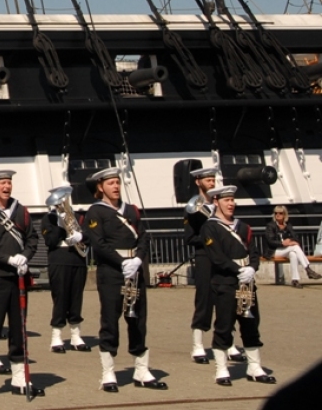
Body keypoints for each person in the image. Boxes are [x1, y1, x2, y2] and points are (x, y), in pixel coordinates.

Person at [84, 167, 167, 393]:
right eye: (111, 183)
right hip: (111, 272)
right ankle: (108, 373)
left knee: (137, 318)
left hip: (135, 270)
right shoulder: (95, 212)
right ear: (101, 187)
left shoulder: (131, 210)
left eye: (117, 182)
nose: (116, 187)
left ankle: (141, 369)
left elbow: (143, 237)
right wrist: (122, 262)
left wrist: (138, 259)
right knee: (110, 320)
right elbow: (99, 244)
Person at [0, 170, 43, 399]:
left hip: (17, 277)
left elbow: (32, 238)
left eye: (9, 183)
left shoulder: (20, 210)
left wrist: (25, 256)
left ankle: (19, 379)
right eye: (2, 183)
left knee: (19, 329)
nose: (6, 187)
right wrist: (8, 259)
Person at [201, 184, 275, 386]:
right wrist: (238, 270)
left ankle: (254, 367)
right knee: (224, 325)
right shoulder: (210, 227)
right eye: (226, 200)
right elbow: (217, 257)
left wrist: (252, 268)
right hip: (225, 283)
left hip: (246, 283)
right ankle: (222, 369)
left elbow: (253, 251)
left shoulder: (243, 227)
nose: (231, 204)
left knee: (250, 323)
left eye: (232, 200)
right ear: (216, 202)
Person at [183, 167, 244, 364]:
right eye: (207, 180)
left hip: (224, 257)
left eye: (213, 179)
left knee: (228, 299)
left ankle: (228, 342)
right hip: (205, 257)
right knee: (204, 298)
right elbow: (189, 238)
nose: (211, 182)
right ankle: (198, 345)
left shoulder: (221, 206)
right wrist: (210, 238)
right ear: (198, 182)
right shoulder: (194, 209)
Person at [40, 187, 88, 355]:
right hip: (59, 260)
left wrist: (81, 236)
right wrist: (61, 225)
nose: (62, 203)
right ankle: (56, 337)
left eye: (64, 199)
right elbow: (50, 241)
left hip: (78, 260)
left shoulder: (80, 217)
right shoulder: (49, 218)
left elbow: (90, 237)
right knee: (60, 298)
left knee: (76, 298)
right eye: (60, 200)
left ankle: (76, 336)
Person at [264, 205, 320, 288]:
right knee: (295, 247)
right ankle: (308, 269)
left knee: (293, 254)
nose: (278, 215)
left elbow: (296, 238)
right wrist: (283, 243)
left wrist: (291, 241)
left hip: (285, 250)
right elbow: (270, 241)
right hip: (273, 251)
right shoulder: (270, 226)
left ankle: (295, 280)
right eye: (276, 213)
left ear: (285, 214)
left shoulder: (288, 225)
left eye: (280, 213)